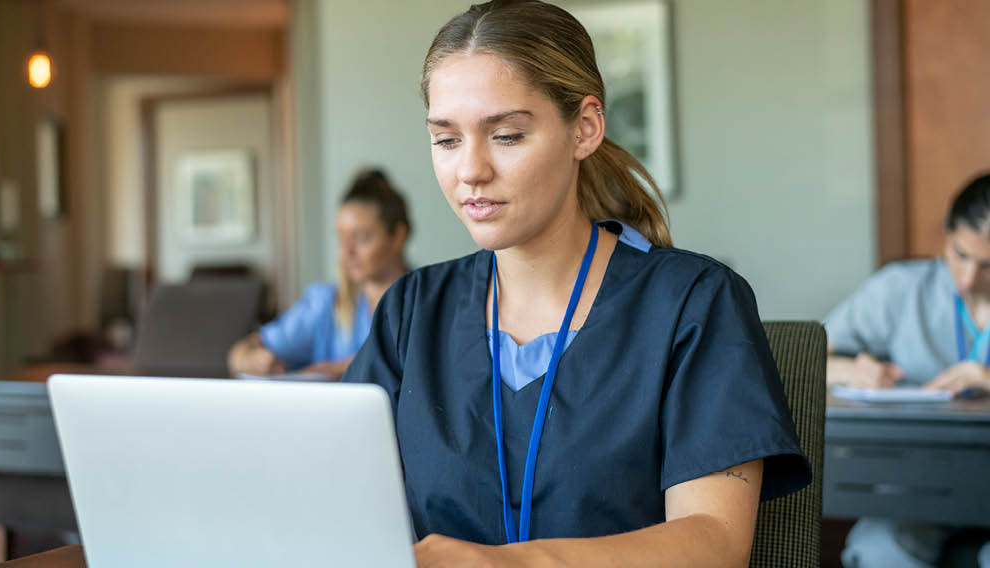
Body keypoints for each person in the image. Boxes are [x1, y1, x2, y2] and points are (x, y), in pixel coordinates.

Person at [343, 2, 811, 566]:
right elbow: (341, 502)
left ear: (584, 128)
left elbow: (714, 538)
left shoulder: (694, 302)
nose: (471, 171)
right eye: (446, 140)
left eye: (508, 135)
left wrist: (507, 564)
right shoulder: (411, 313)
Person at [825, 173, 990, 568]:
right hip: (922, 483)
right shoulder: (901, 289)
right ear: (946, 237)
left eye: (988, 266)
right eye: (960, 255)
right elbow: (799, 358)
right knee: (881, 550)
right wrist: (851, 371)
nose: (968, 279)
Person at [228, 168, 410, 380]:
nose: (347, 252)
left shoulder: (428, 301)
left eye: (361, 238)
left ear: (398, 235)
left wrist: (349, 368)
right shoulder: (324, 303)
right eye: (342, 239)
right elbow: (239, 355)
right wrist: (249, 358)